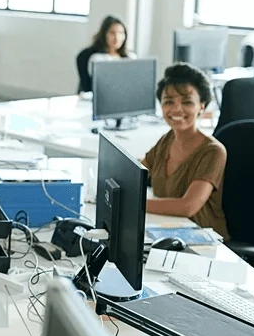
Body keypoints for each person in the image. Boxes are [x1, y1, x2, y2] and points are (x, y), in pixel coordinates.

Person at [142, 63, 230, 239]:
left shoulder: (213, 152)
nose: (176, 109)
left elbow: (188, 206)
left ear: (202, 106)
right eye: (168, 102)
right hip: (167, 230)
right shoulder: (168, 139)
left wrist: (136, 204)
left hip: (202, 240)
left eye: (187, 102)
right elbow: (137, 169)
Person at [77, 15, 136, 93]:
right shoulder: (97, 58)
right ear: (104, 34)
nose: (117, 37)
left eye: (121, 33)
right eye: (112, 33)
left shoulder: (131, 57)